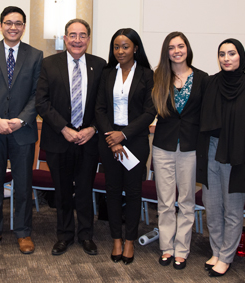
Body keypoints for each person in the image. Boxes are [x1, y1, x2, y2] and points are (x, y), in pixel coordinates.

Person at [0, 6, 43, 255]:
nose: (13, 27)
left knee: (23, 184)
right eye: (8, 22)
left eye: (18, 23)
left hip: (22, 131)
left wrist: (21, 120)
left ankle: (23, 232)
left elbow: (38, 94)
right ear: (1, 25)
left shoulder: (35, 55)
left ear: (23, 26)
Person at [35, 19, 106, 256]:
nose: (77, 40)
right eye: (72, 35)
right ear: (65, 38)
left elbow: (102, 105)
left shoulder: (100, 65)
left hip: (88, 140)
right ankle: (64, 235)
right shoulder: (48, 64)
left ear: (88, 39)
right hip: (59, 138)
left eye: (82, 35)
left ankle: (86, 235)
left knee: (85, 190)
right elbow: (41, 102)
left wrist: (93, 128)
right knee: (62, 191)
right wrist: (64, 128)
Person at [95, 28, 155, 265]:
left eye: (125, 46)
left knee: (132, 192)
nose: (120, 51)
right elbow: (99, 108)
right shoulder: (107, 73)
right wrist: (112, 136)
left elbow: (151, 111)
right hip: (109, 140)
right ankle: (116, 239)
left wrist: (124, 135)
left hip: (135, 141)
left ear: (136, 48)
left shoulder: (148, 75)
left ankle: (130, 240)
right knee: (111, 190)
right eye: (116, 47)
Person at [196, 39, 245, 277]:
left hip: (236, 153)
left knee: (232, 208)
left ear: (241, 56)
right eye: (222, 54)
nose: (226, 58)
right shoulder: (210, 83)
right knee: (212, 205)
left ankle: (226, 256)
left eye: (232, 53)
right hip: (210, 147)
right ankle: (216, 250)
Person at [151, 32, 208, 269]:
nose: (177, 51)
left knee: (186, 201)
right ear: (166, 51)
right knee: (165, 201)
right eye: (172, 47)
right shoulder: (158, 77)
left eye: (181, 46)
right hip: (163, 145)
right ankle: (166, 247)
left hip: (190, 146)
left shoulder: (203, 78)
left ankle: (182, 249)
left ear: (187, 49)